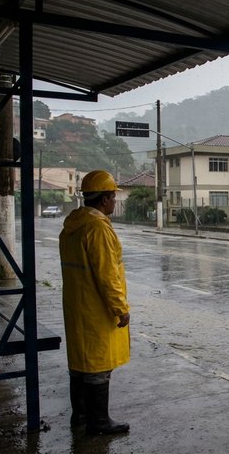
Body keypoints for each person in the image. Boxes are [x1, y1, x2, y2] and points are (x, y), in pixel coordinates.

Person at [59, 170, 130, 435]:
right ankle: (98, 422)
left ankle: (80, 416)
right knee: (99, 365)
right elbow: (107, 275)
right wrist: (120, 309)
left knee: (80, 365)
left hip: (77, 305)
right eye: (113, 197)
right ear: (104, 200)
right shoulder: (97, 228)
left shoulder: (72, 225)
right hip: (96, 309)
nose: (114, 201)